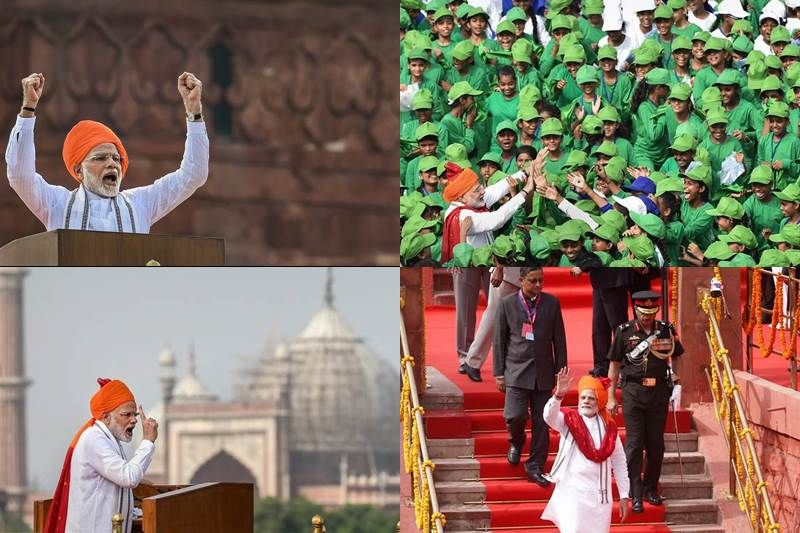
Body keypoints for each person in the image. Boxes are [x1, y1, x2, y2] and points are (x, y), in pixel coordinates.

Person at [6, 72, 208, 233]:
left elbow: (193, 175)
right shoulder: (57, 203)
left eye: (116, 158)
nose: (112, 163)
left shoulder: (140, 203)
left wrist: (194, 113)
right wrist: (28, 109)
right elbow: (20, 176)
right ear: (78, 171)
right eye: (100, 158)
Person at [45, 378, 158, 533]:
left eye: (135, 415)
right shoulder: (94, 439)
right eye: (126, 415)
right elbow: (129, 477)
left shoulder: (109, 439)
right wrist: (148, 442)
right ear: (106, 417)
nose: (133, 420)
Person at [606, 291, 685, 514]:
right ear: (636, 309)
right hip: (633, 392)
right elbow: (614, 365)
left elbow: (677, 354)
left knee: (656, 445)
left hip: (658, 393)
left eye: (651, 312)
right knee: (634, 445)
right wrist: (611, 395)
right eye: (643, 312)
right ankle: (635, 491)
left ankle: (651, 488)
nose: (647, 316)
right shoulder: (624, 332)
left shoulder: (665, 330)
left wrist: (677, 379)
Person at [493, 267, 567, 486]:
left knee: (542, 423)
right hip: (516, 371)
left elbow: (559, 339)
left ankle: (535, 467)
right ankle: (516, 441)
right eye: (533, 281)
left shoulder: (552, 303)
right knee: (514, 416)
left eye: (541, 281)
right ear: (521, 280)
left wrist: (560, 371)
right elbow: (499, 340)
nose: (538, 285)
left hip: (544, 373)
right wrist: (499, 373)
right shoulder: (507, 304)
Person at [541, 368, 630, 532]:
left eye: (591, 398)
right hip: (572, 491)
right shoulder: (568, 420)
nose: (586, 401)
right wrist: (558, 395)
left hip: (599, 497)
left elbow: (619, 462)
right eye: (583, 397)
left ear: (600, 402)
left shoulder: (609, 429)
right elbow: (548, 416)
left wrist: (624, 495)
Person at [463, 266, 521, 381]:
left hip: (527, 274)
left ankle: (516, 366)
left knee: (520, 320)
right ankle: (473, 361)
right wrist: (499, 269)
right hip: (507, 274)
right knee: (494, 316)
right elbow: (499, 248)